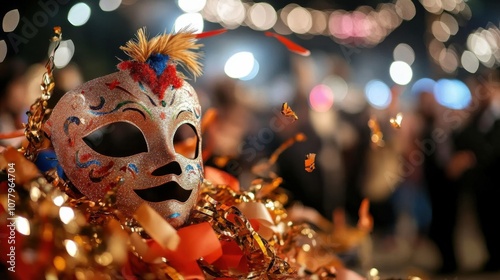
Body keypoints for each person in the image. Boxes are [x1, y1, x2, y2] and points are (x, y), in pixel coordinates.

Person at [448, 68, 500, 272]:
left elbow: (492, 148)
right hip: (481, 183)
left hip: (494, 179)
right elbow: (462, 140)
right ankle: (493, 256)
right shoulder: (477, 116)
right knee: (485, 222)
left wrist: (473, 157)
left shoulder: (495, 117)